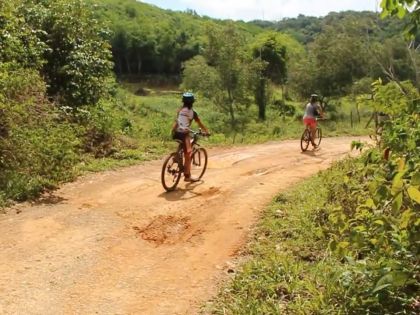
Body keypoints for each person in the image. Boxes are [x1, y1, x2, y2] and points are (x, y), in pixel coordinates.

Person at [172, 92, 209, 182]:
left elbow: (177, 122)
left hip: (175, 132)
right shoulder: (193, 112)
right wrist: (206, 131)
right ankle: (187, 176)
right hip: (184, 134)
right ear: (192, 102)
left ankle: (177, 156)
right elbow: (199, 123)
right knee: (188, 154)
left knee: (182, 143)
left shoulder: (180, 110)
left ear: (183, 102)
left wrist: (174, 130)